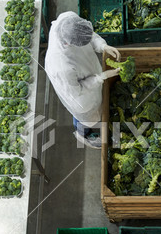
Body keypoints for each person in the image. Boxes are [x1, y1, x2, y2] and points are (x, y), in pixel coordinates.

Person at [45, 11, 121, 149]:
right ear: (69, 44)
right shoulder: (61, 65)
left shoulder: (68, 19)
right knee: (83, 115)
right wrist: (101, 77)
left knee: (98, 101)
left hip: (87, 71)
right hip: (77, 94)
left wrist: (103, 46)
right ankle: (83, 134)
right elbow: (76, 93)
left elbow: (89, 35)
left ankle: (85, 130)